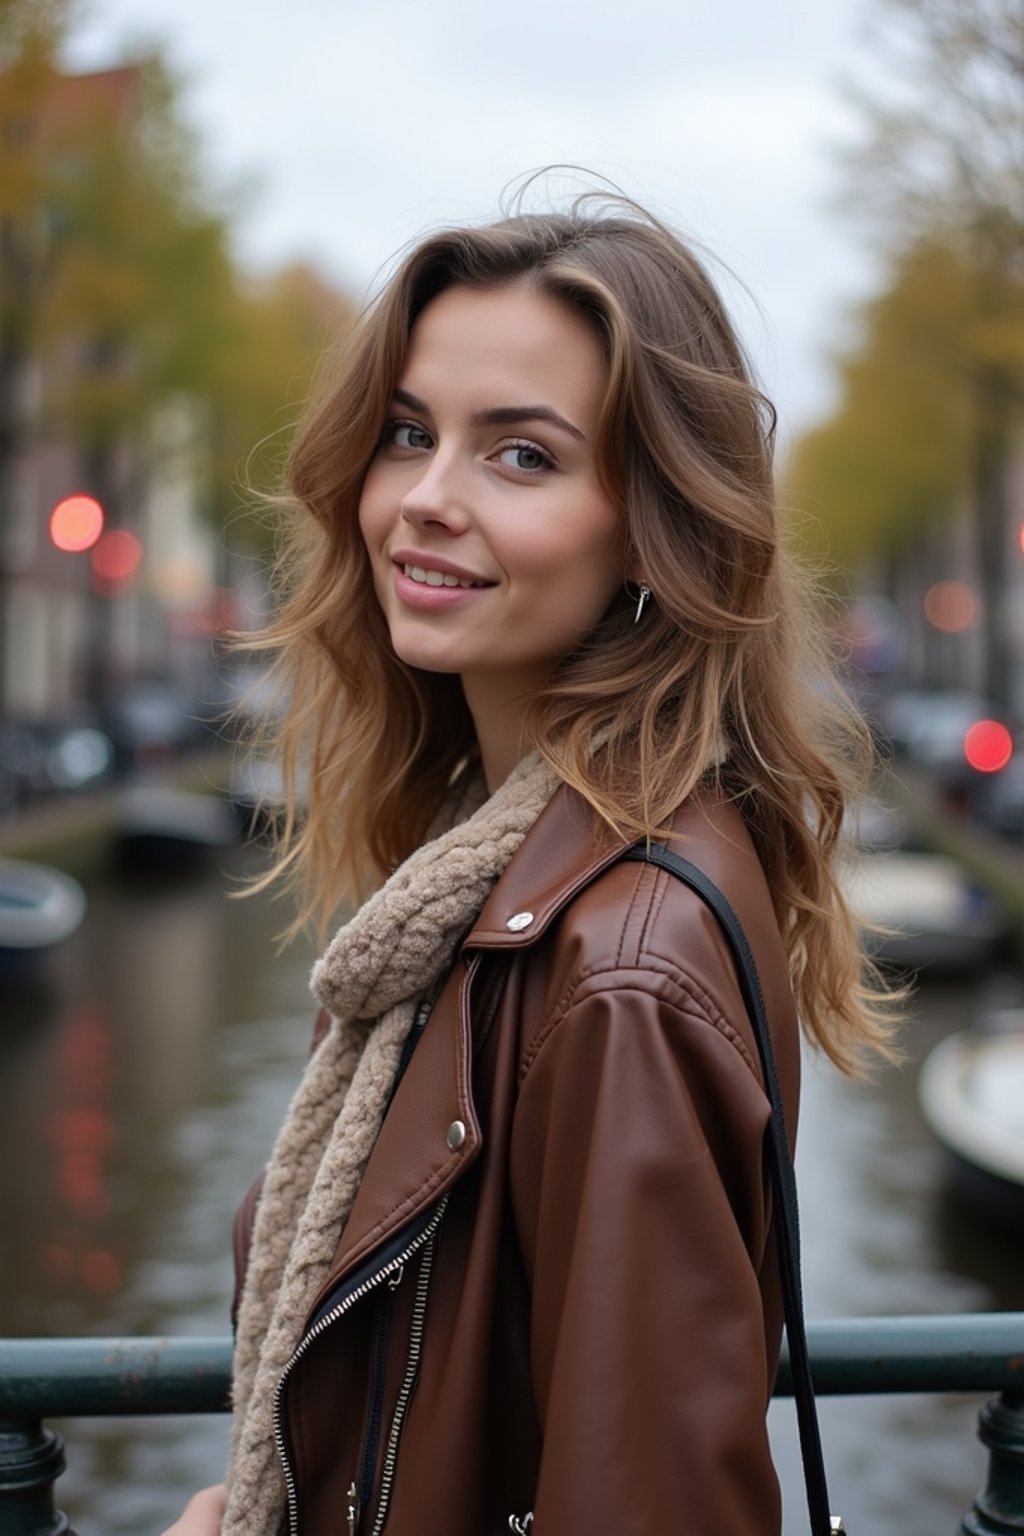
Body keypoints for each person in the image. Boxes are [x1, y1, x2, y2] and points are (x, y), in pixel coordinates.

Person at [164, 193, 895, 1536]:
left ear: (650, 530)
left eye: (521, 456)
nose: (425, 502)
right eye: (408, 434)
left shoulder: (618, 969)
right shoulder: (501, 871)